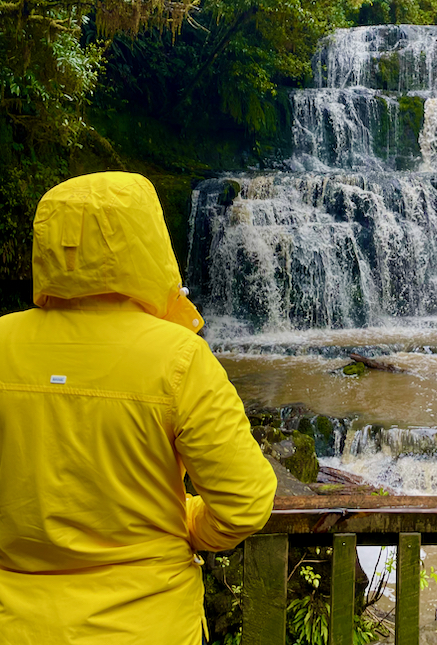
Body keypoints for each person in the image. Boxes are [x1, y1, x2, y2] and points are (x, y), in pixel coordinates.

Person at [0, 171, 277, 644]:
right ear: (148, 241)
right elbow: (246, 504)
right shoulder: (179, 358)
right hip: (148, 624)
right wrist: (189, 521)